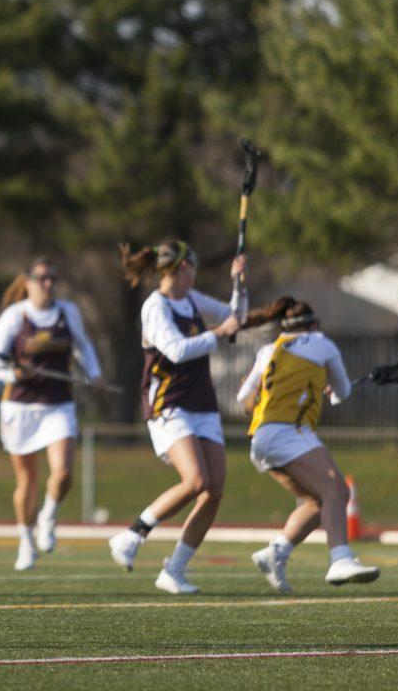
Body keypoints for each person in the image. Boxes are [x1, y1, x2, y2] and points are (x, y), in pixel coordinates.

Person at [107, 240, 242, 594]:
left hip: (202, 402)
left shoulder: (193, 300)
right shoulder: (156, 306)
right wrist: (218, 334)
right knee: (195, 480)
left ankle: (175, 569)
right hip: (169, 402)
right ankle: (133, 534)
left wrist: (239, 283)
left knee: (214, 490)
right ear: (184, 268)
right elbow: (177, 350)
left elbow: (233, 316)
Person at [237, 297, 380, 592]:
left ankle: (276, 552)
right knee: (338, 489)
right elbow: (341, 393)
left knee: (318, 501)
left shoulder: (269, 350)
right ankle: (340, 559)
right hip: (290, 432)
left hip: (260, 437)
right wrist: (328, 391)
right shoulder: (322, 343)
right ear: (313, 325)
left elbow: (244, 399)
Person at [0, 257, 105, 571]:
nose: (48, 284)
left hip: (58, 404)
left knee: (63, 472)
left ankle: (48, 517)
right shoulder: (15, 316)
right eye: (42, 278)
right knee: (27, 481)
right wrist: (14, 374)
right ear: (27, 282)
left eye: (53, 278)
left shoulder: (68, 312)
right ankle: (26, 541)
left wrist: (94, 373)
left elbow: (82, 345)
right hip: (20, 406)